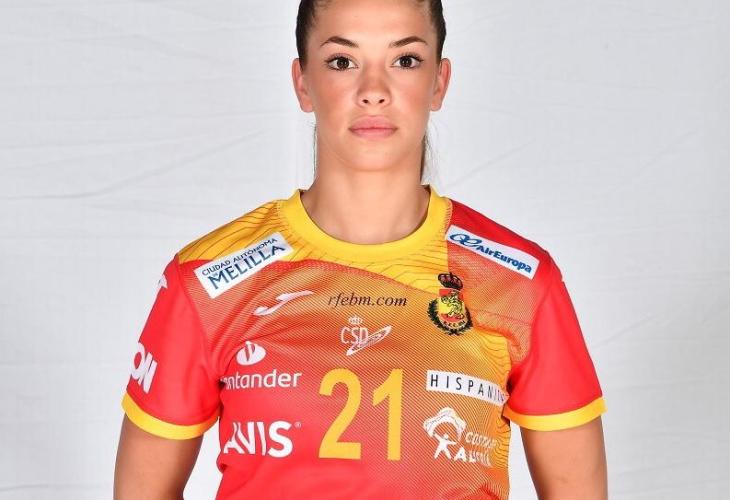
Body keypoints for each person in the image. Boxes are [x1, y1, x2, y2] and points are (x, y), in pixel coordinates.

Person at [113, 0, 608, 498]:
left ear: (439, 82)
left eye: (405, 60)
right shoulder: (205, 282)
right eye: (342, 61)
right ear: (303, 83)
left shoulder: (520, 282)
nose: (374, 90)